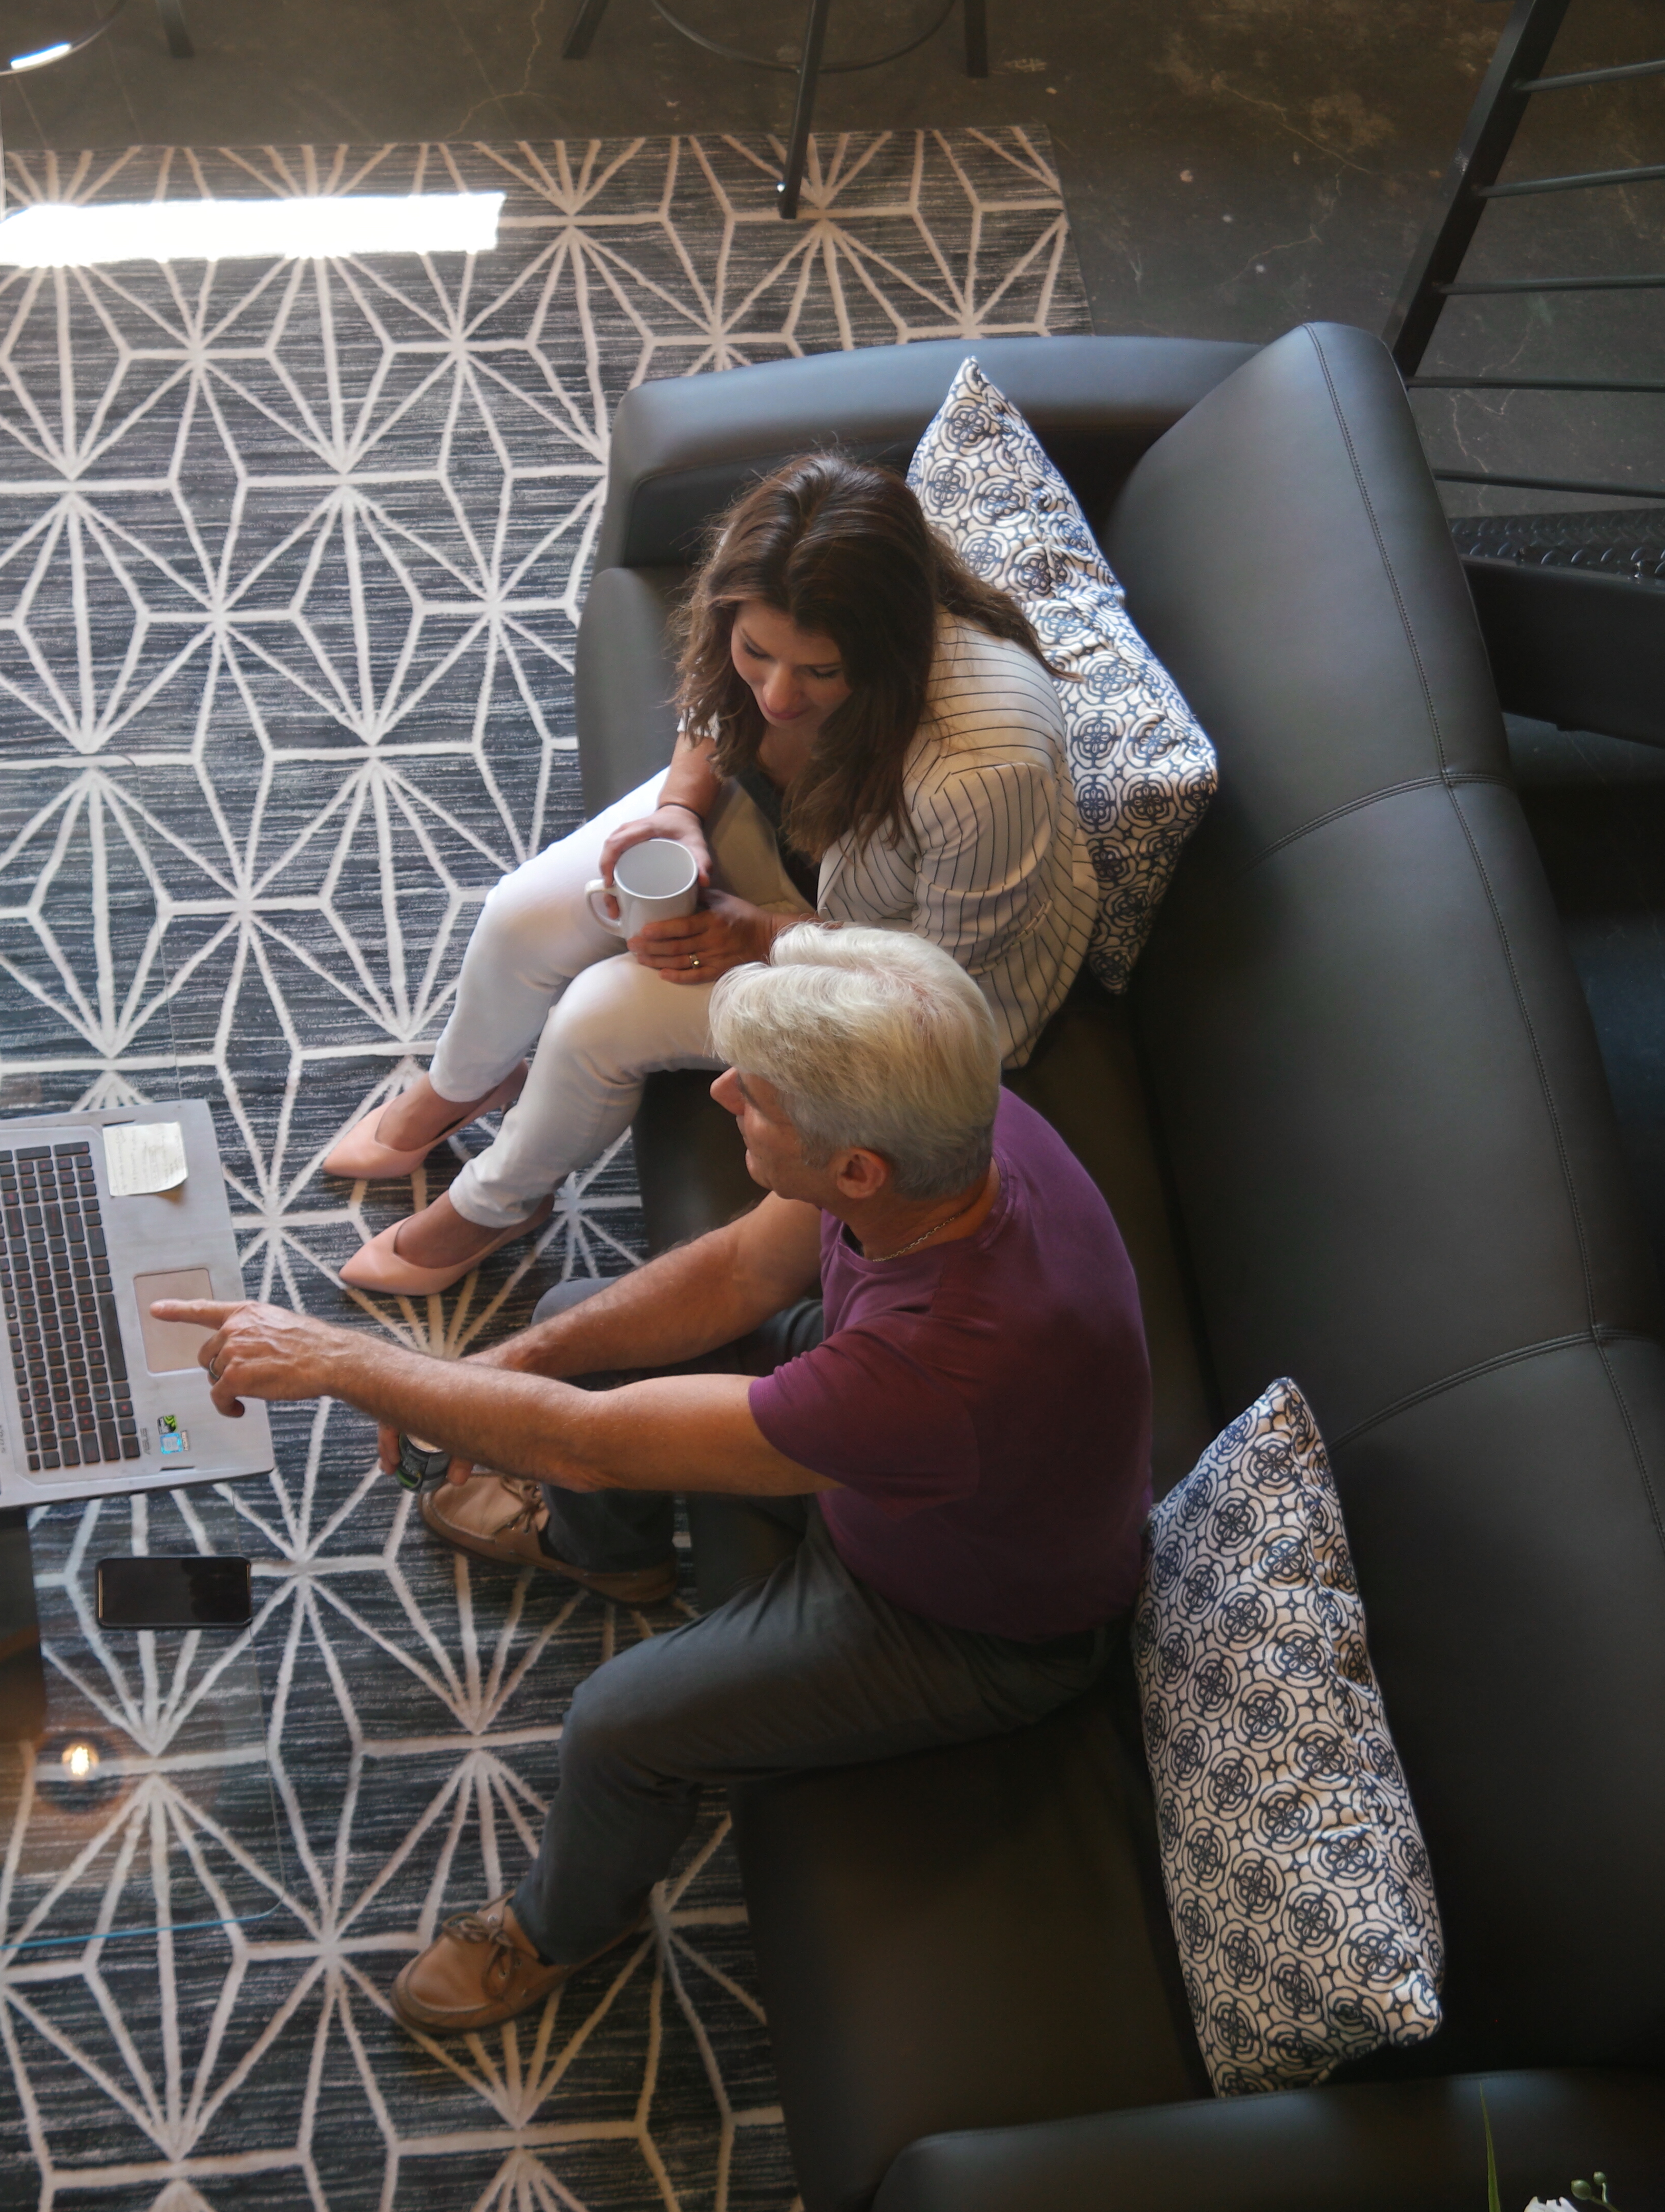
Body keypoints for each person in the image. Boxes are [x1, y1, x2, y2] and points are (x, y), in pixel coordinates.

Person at [155, 928, 1150, 2033]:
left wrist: (350, 1365)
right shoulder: (955, 1122)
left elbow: (591, 1443)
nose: (722, 1091)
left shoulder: (937, 1371)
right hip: (903, 1451)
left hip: (973, 1622)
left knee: (619, 1727)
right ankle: (604, 1553)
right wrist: (509, 1365)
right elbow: (739, 1271)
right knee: (568, 1323)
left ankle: (565, 1928)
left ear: (856, 1169)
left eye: (757, 1098)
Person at [324, 451, 1099, 1294]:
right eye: (757, 652)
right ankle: (458, 1087)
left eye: (821, 672)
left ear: (890, 645)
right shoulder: (768, 572)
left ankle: (496, 1203)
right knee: (519, 916)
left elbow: (945, 987)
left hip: (909, 983)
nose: (777, 696)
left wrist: (760, 933)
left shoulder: (984, 770)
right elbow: (712, 700)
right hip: (789, 859)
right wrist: (680, 810)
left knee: (595, 1020)